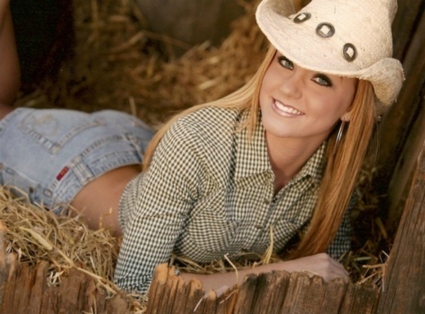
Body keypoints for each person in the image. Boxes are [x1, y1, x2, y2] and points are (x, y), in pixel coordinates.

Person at [0, 0, 404, 295]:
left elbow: (334, 272)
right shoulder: (196, 138)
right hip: (79, 164)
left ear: (352, 106)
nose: (289, 87)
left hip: (149, 151)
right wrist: (282, 273)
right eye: (285, 62)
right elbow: (136, 285)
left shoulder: (335, 176)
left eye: (322, 80)